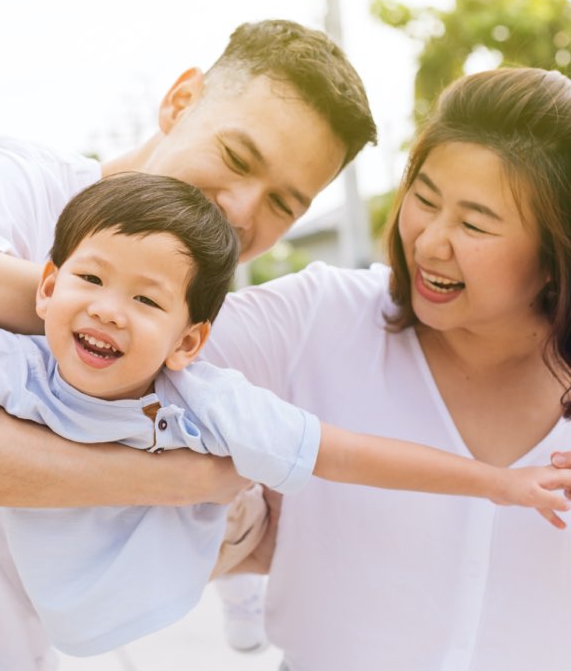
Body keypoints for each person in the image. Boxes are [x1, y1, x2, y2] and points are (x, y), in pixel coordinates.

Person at [0, 174, 571, 658]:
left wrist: (496, 483)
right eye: (91, 280)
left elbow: (346, 452)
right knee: (223, 470)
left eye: (144, 298)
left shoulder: (205, 396)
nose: (109, 309)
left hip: (185, 555)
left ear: (188, 342)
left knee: (241, 475)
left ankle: (244, 592)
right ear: (46, 288)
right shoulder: (24, 369)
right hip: (76, 600)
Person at [0, 18, 380, 671]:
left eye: (284, 205)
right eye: (238, 159)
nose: (242, 210)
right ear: (180, 101)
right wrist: (182, 481)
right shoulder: (11, 185)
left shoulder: (189, 332)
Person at [200, 66, 571, 670]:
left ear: (556, 254)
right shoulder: (319, 317)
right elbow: (122, 339)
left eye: (474, 224)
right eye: (423, 200)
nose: (428, 243)